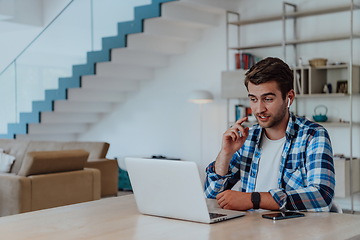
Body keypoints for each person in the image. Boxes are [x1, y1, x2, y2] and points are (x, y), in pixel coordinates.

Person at [204, 57, 335, 212]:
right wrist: (225, 154)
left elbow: (322, 196)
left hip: (294, 230)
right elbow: (210, 196)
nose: (259, 109)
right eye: (253, 99)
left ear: (289, 98)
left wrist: (253, 199)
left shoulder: (313, 135)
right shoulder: (247, 137)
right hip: (250, 230)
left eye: (267, 99)